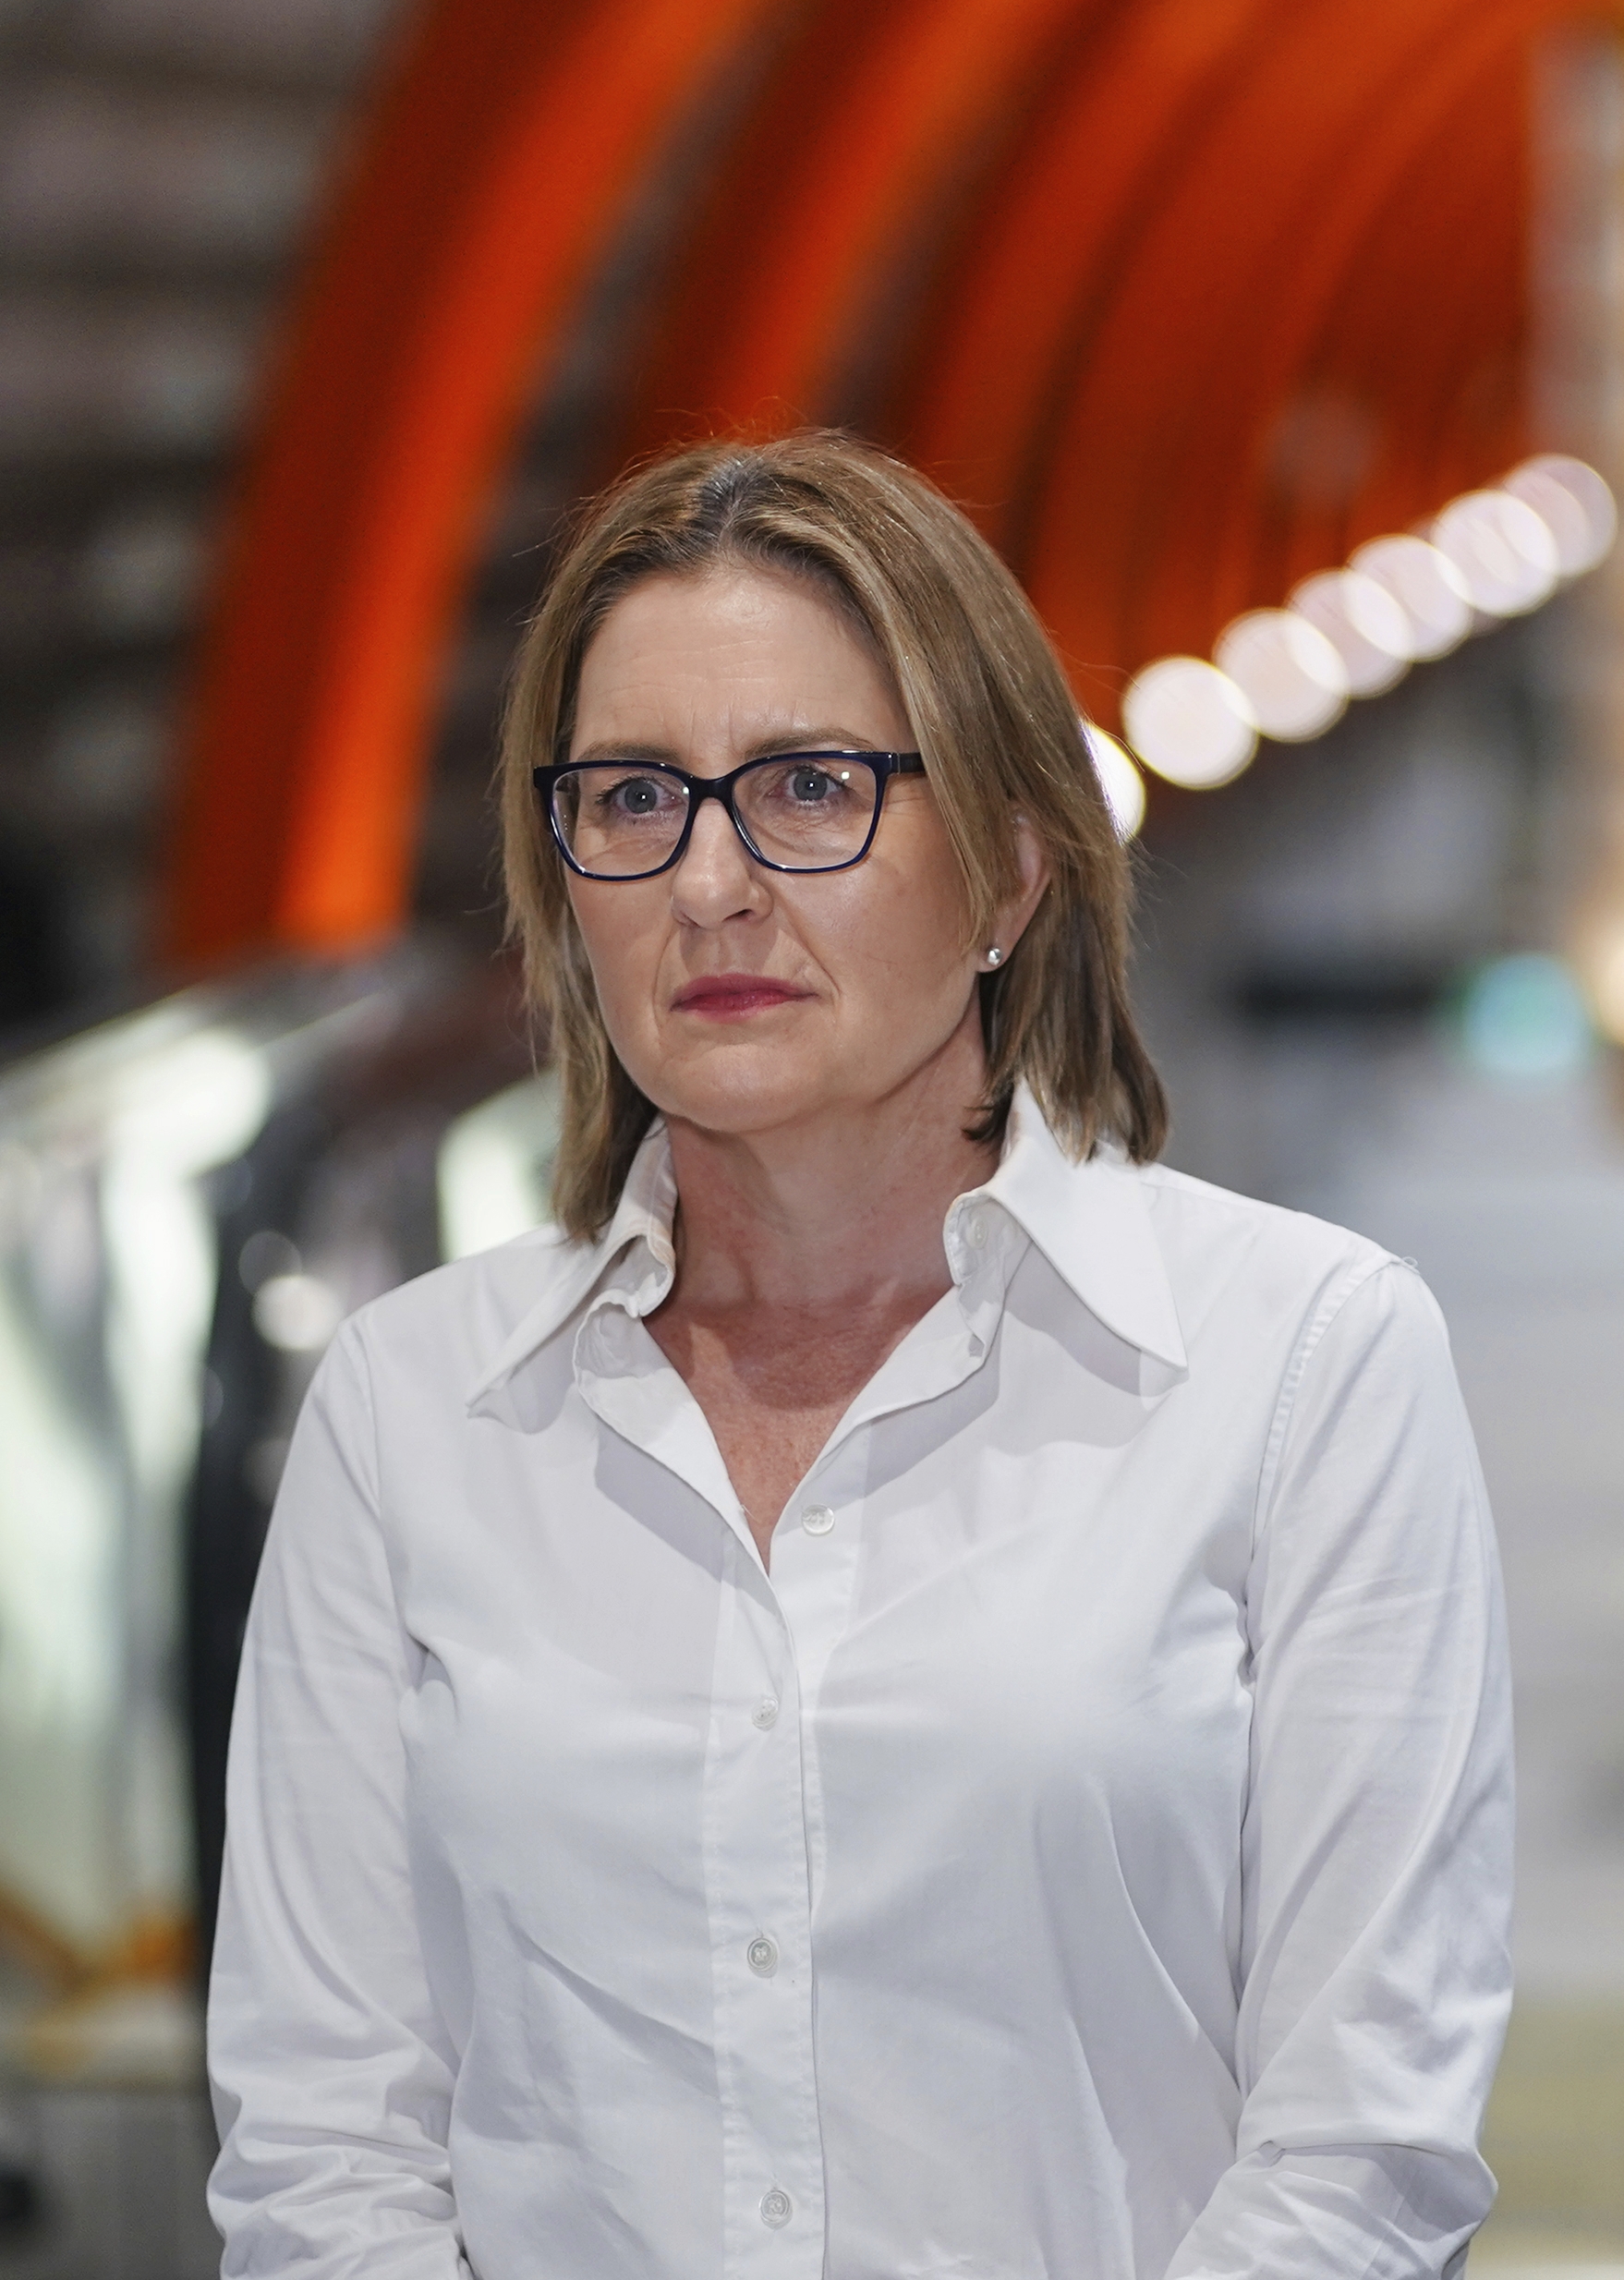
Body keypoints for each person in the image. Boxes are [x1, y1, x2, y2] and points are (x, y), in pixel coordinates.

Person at [205, 432, 1513, 2276]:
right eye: (632, 799)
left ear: (1005, 870)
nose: (713, 885)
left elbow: (1361, 2152)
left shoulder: (1303, 1363)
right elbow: (325, 2143)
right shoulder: (409, 1409)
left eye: (811, 788)